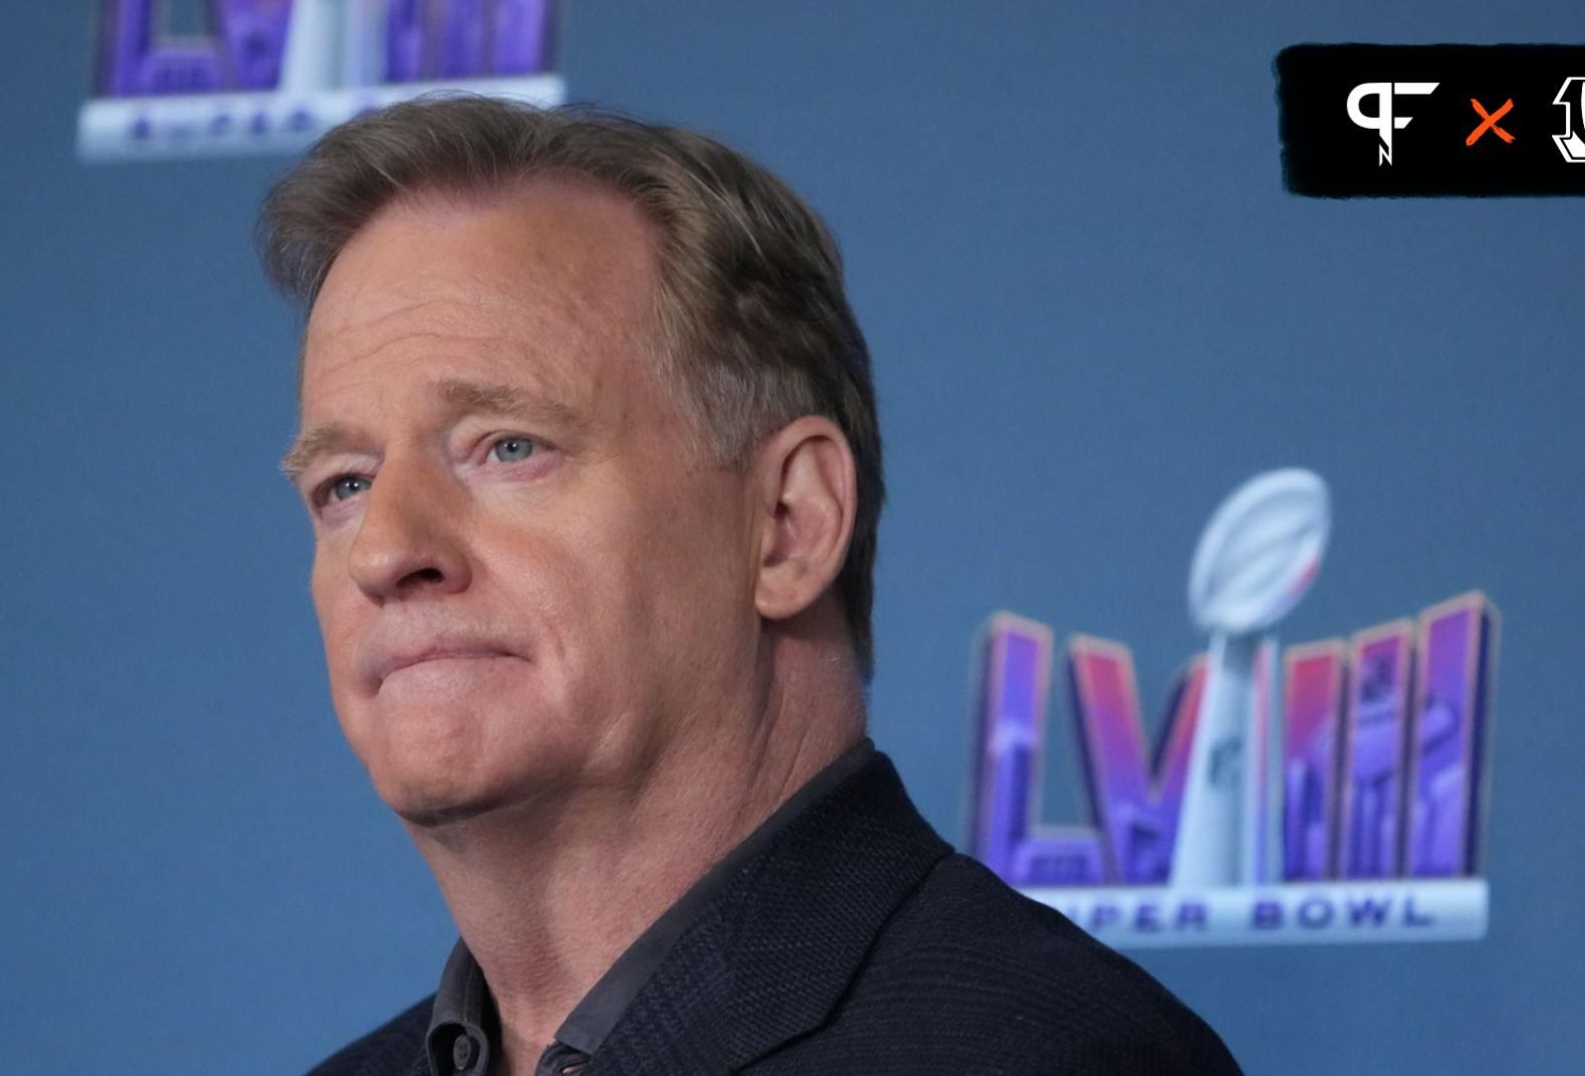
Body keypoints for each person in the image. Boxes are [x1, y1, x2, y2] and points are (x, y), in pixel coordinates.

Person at [260, 97, 1243, 1076]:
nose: (384, 551)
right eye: (344, 483)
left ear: (787, 524)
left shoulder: (1037, 1056)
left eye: (508, 447)